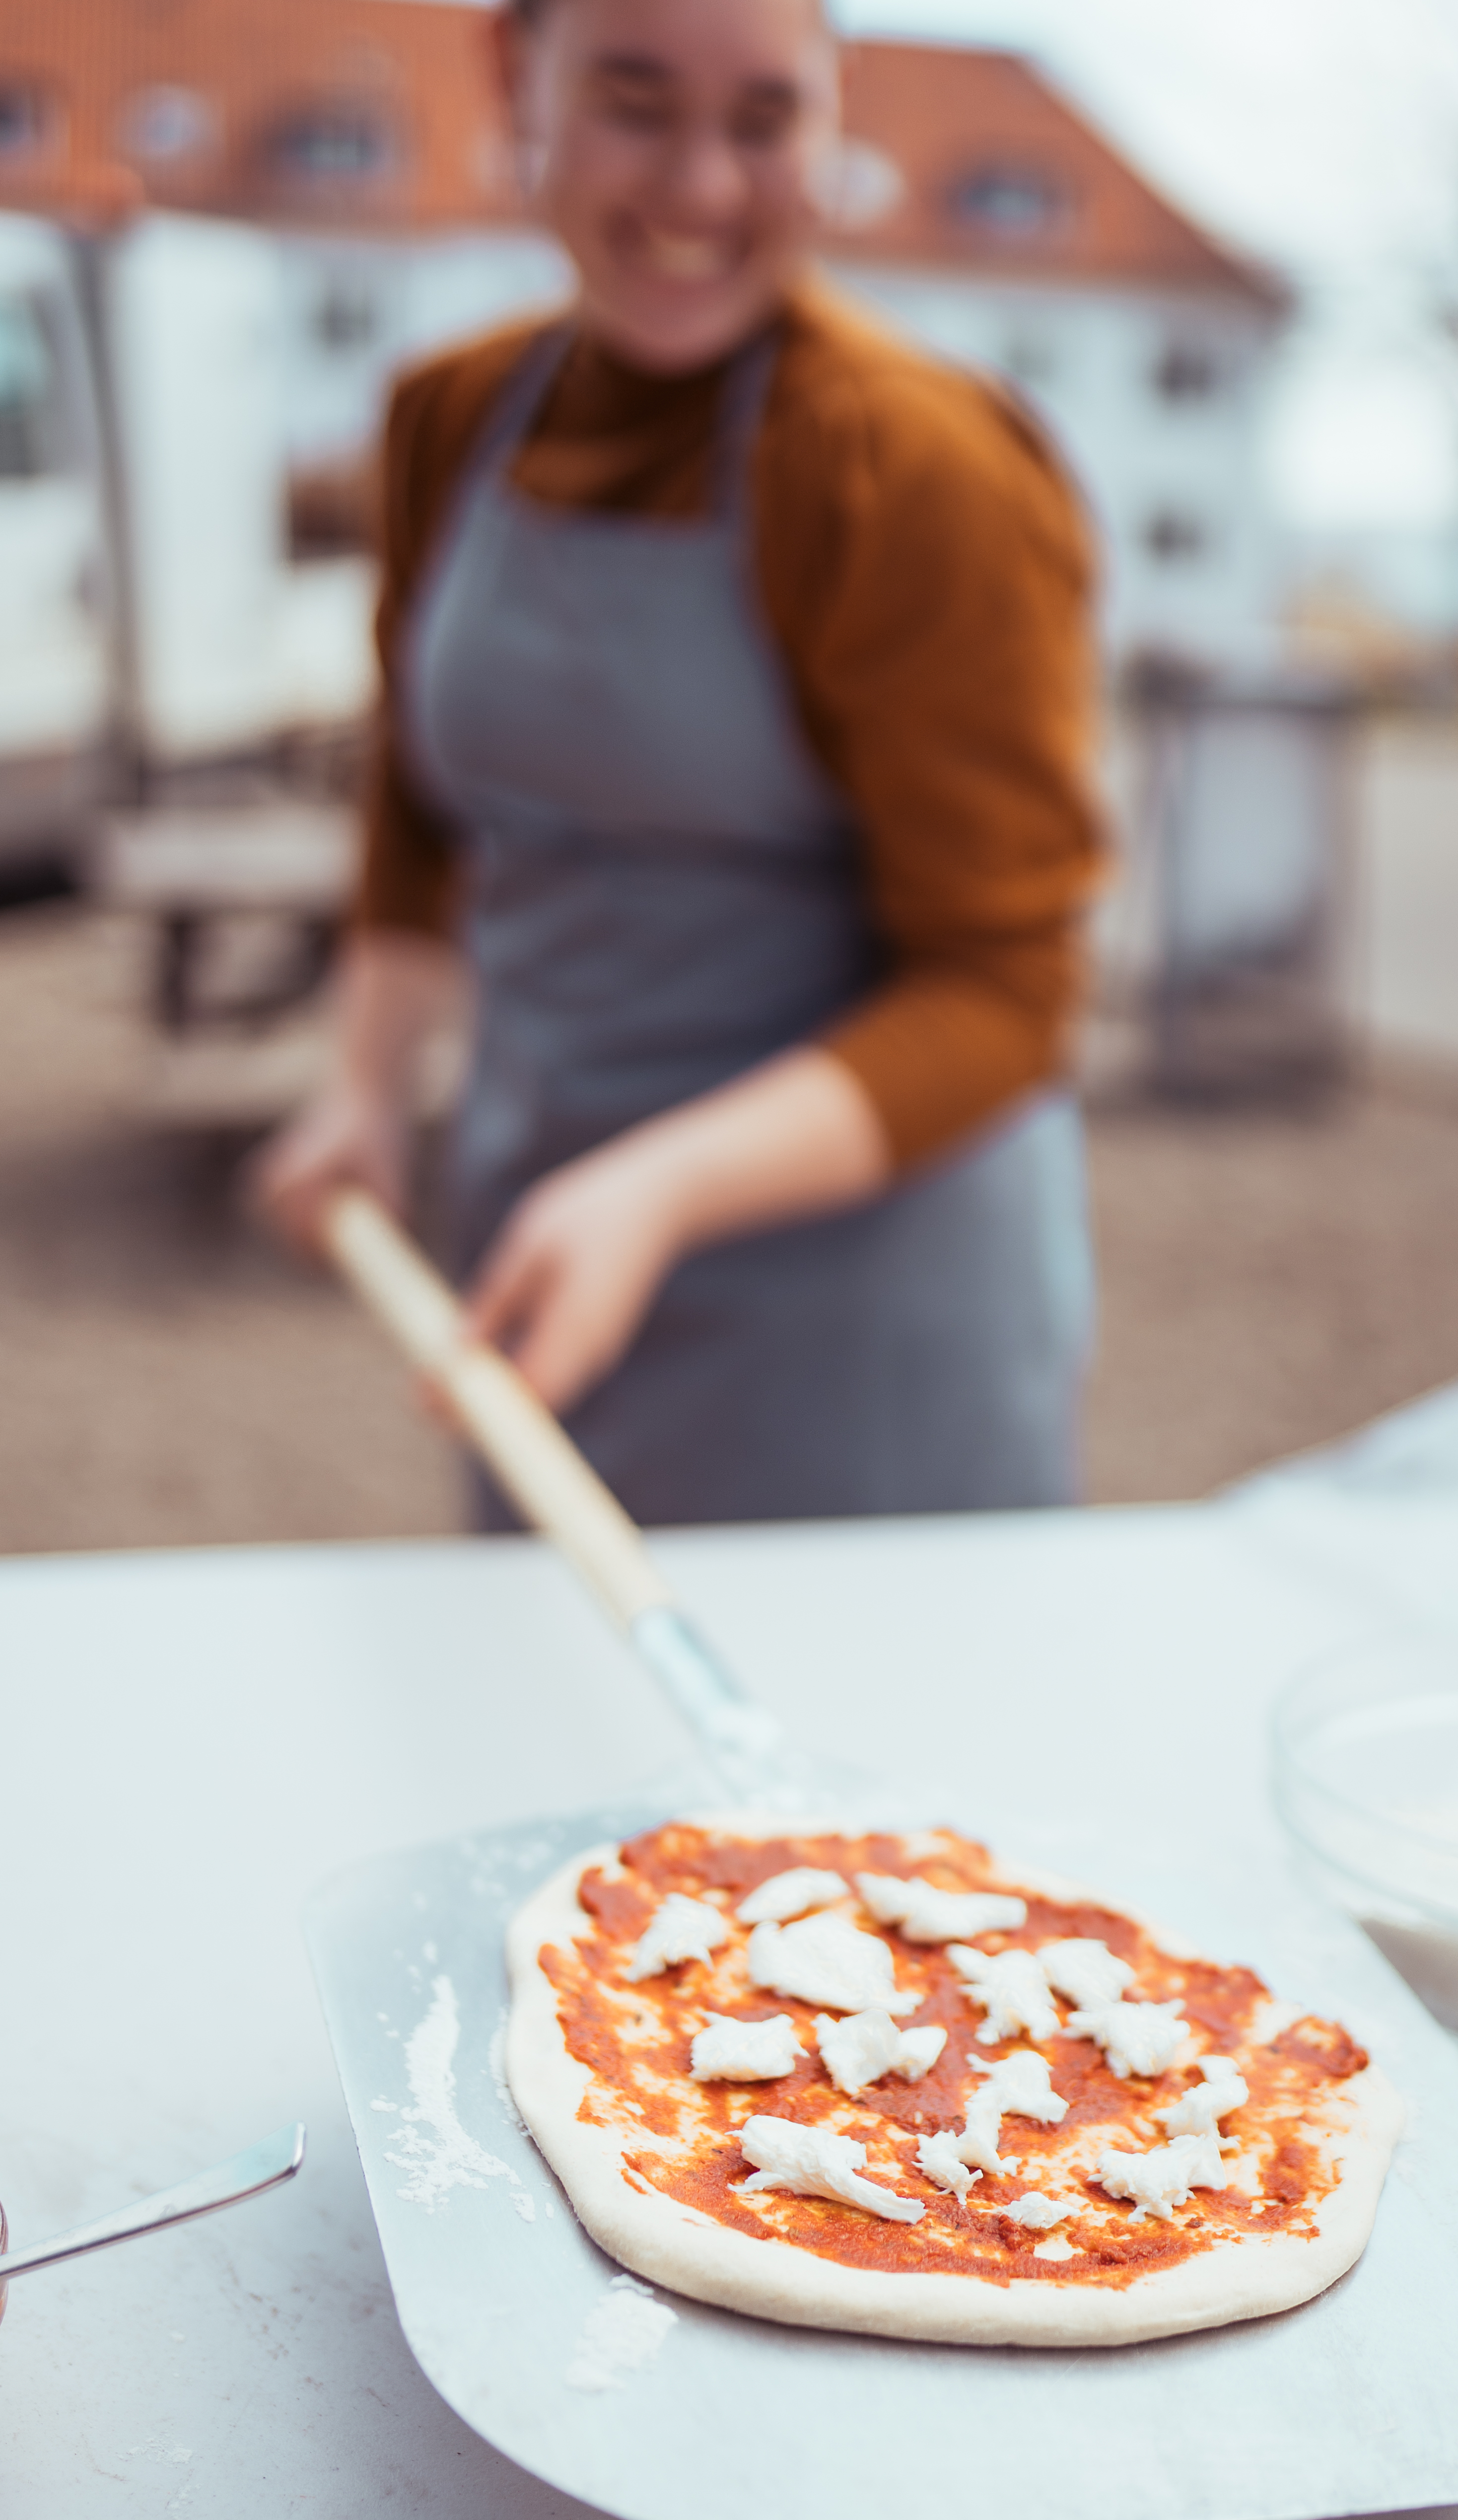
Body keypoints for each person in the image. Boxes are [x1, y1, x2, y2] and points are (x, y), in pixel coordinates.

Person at [258, 0, 1103, 1527]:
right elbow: (422, 804)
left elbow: (1008, 994)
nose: (701, 189)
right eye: (635, 106)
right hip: (549, 1263)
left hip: (866, 1337)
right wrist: (362, 1086)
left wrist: (658, 1189)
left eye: (766, 123)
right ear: (516, 78)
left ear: (835, 119)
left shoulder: (912, 465)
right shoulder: (449, 418)